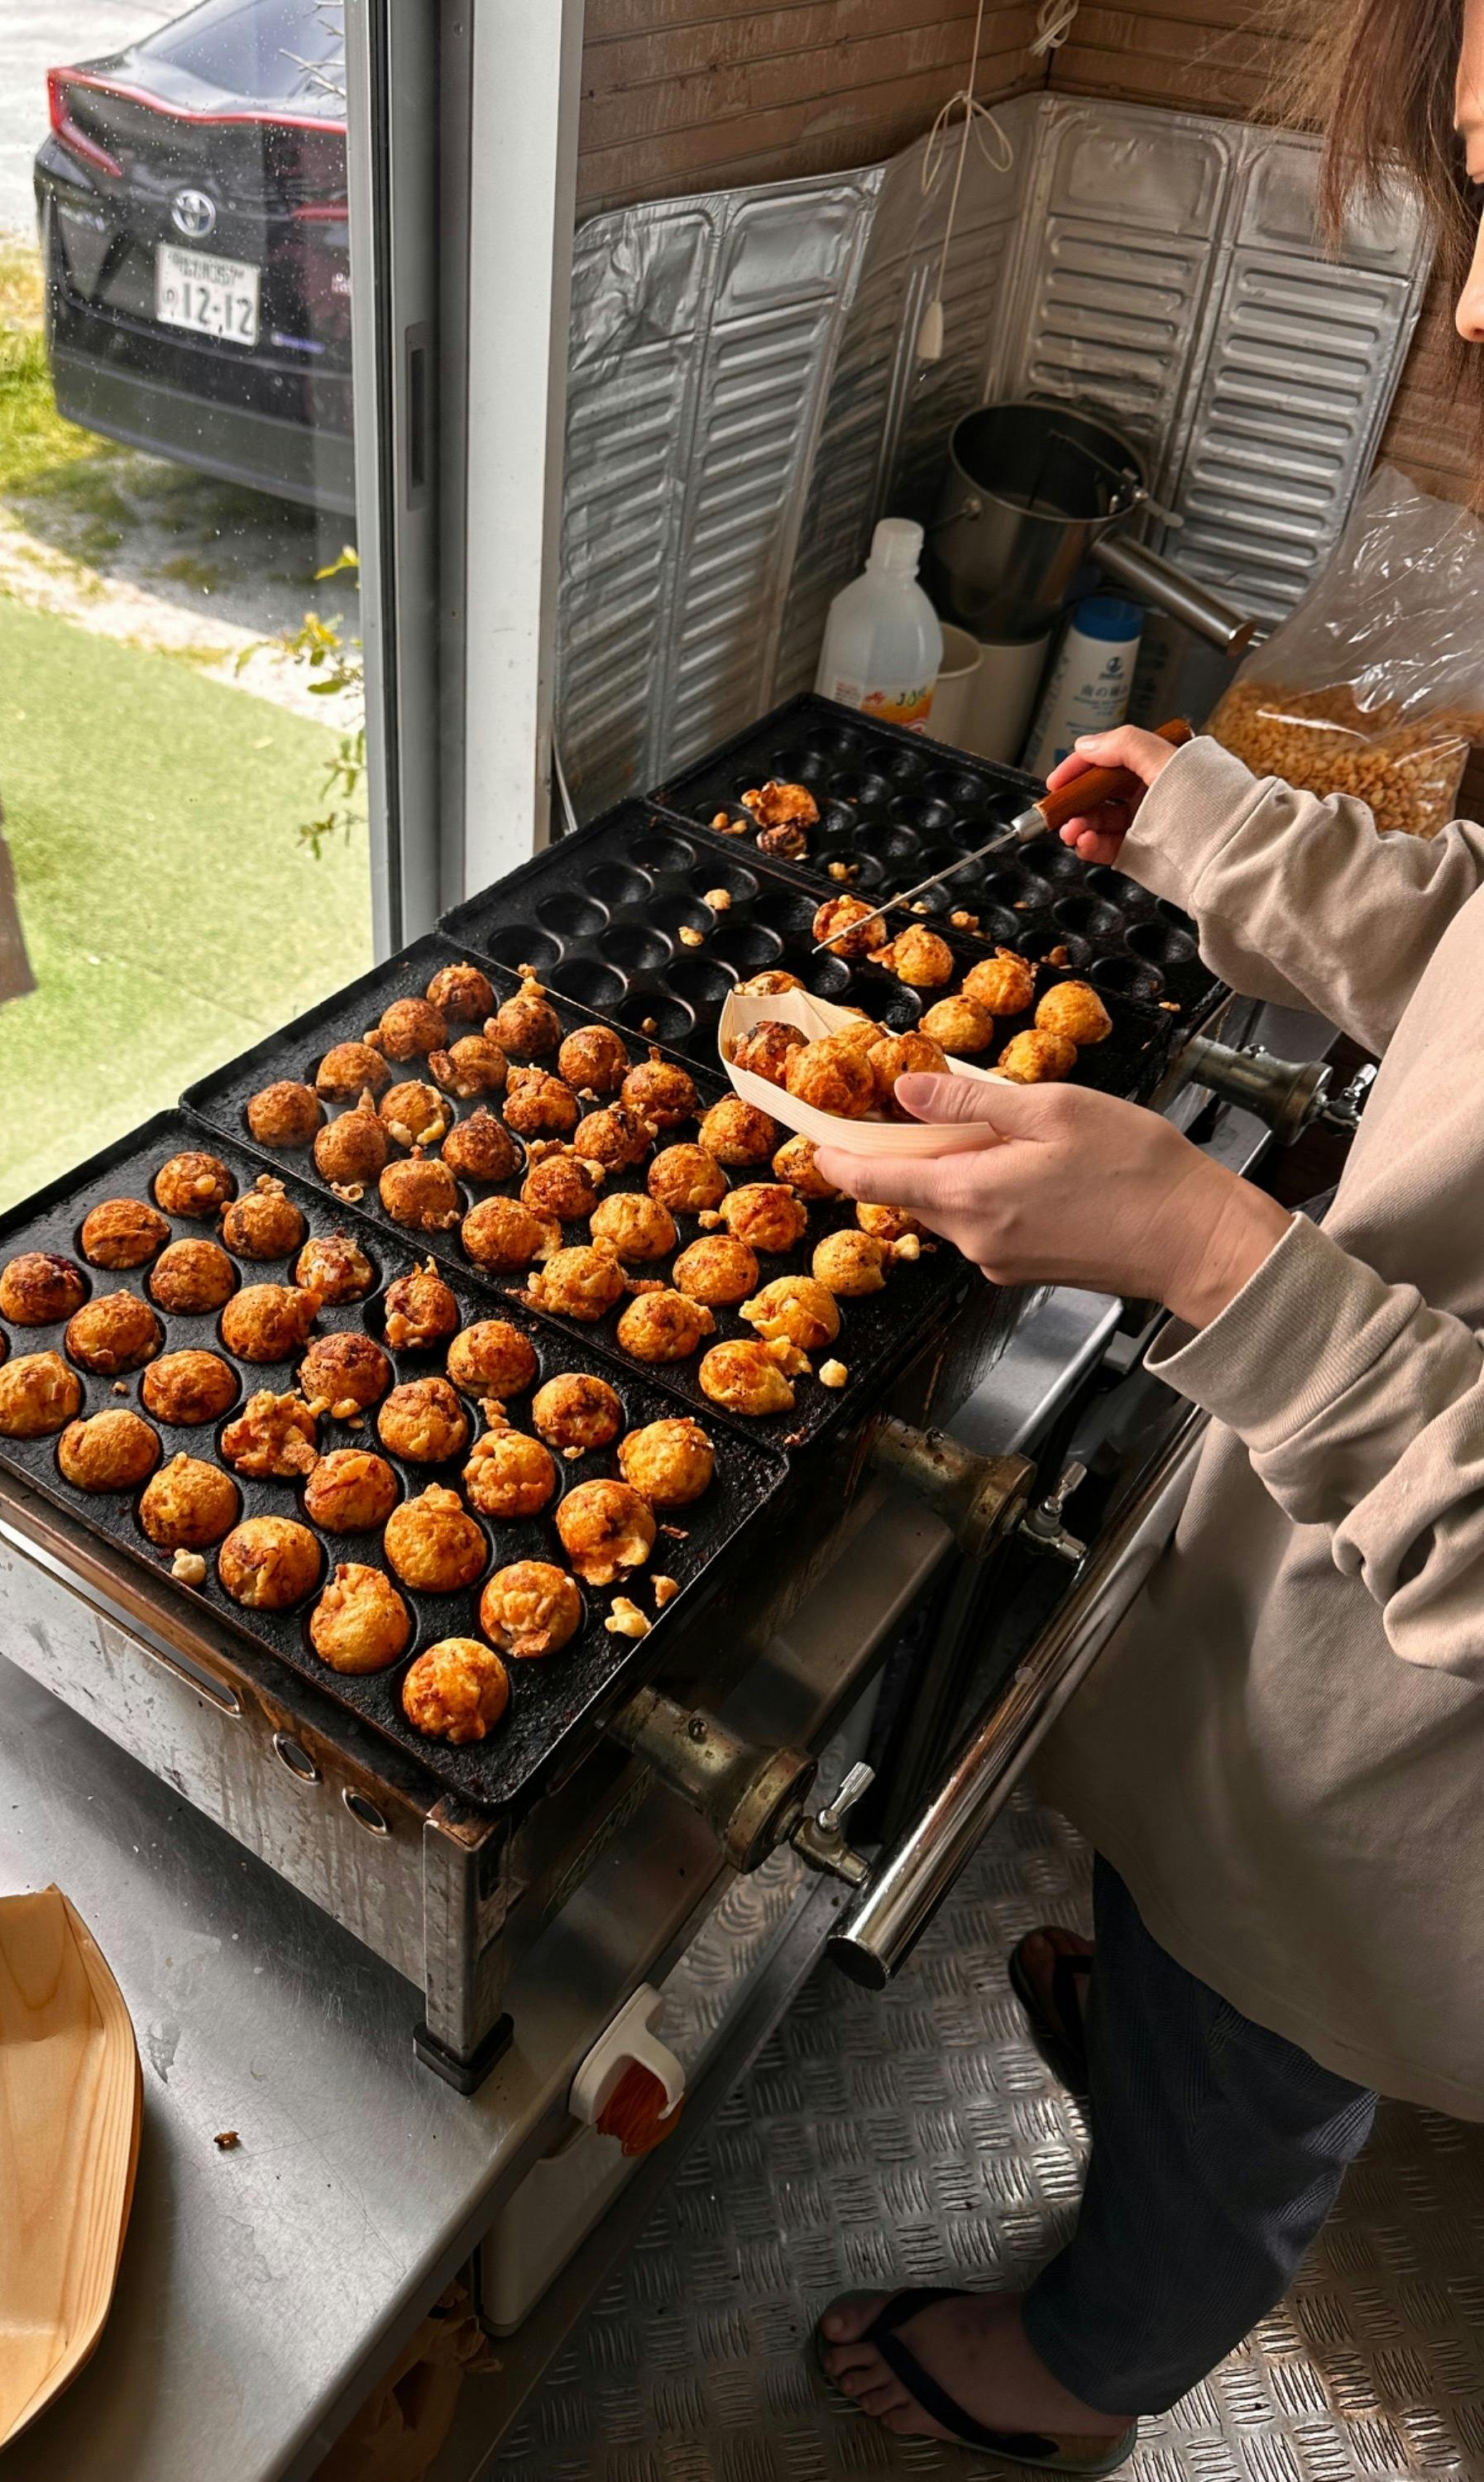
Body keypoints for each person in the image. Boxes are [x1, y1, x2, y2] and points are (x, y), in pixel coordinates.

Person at [807, 1, 1484, 2466]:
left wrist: (1211, 1256)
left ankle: (1086, 2369)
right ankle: (1174, 1994)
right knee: (1206, 1912)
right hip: (1319, 1572)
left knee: (1271, 2031)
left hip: (1425, 1748)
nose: (1475, 309)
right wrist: (1231, 837)